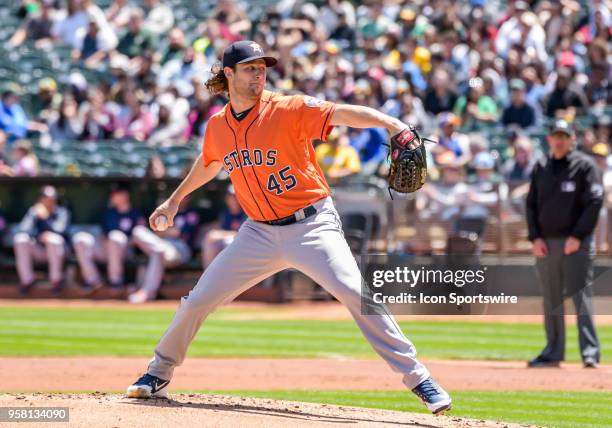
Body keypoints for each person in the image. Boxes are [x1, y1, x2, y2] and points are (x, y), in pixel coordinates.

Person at [126, 40, 452, 414]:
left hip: (312, 225)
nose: (259, 73)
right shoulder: (218, 126)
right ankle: (158, 372)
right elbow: (209, 161)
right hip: (258, 233)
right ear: (228, 74)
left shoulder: (288, 107)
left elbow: (343, 113)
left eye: (262, 67)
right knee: (198, 300)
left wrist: (392, 124)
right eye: (250, 67)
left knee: (355, 294)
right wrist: (174, 200)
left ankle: (419, 378)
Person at [526, 120, 602, 369]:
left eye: (564, 136)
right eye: (556, 136)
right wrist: (535, 237)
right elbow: (531, 204)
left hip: (575, 244)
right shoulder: (541, 166)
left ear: (572, 139)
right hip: (546, 243)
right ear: (549, 139)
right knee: (551, 299)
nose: (559, 140)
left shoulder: (584, 166)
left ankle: (589, 353)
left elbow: (594, 202)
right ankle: (553, 352)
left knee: (580, 297)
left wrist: (578, 236)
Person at [72, 183, 145, 293]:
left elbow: (140, 238)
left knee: (115, 237)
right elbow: (103, 234)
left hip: (126, 251)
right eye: (112, 194)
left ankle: (115, 281)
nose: (113, 197)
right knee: (80, 239)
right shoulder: (109, 214)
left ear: (125, 195)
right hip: (107, 249)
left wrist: (123, 242)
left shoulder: (136, 214)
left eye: (116, 194)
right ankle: (93, 280)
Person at [129, 196, 200, 304]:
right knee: (138, 231)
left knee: (158, 252)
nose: (181, 199)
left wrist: (163, 232)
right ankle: (145, 291)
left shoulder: (191, 214)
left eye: (185, 197)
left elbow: (178, 233)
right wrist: (165, 232)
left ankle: (147, 291)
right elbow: (156, 232)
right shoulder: (166, 212)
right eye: (179, 196)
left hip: (180, 249)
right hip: (162, 244)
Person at [14, 186, 71, 295]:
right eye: (46, 197)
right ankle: (27, 280)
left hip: (60, 251)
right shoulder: (34, 211)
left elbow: (60, 230)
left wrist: (46, 218)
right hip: (39, 250)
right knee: (20, 239)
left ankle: (56, 280)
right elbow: (23, 229)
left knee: (53, 240)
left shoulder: (62, 212)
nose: (49, 200)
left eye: (52, 198)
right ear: (41, 198)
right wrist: (38, 235)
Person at [200, 185, 246, 269]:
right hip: (227, 241)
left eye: (236, 196)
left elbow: (243, 233)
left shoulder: (246, 213)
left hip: (243, 243)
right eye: (231, 196)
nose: (234, 199)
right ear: (227, 198)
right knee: (210, 240)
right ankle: (208, 274)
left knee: (229, 242)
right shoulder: (225, 213)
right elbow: (220, 226)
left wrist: (221, 234)